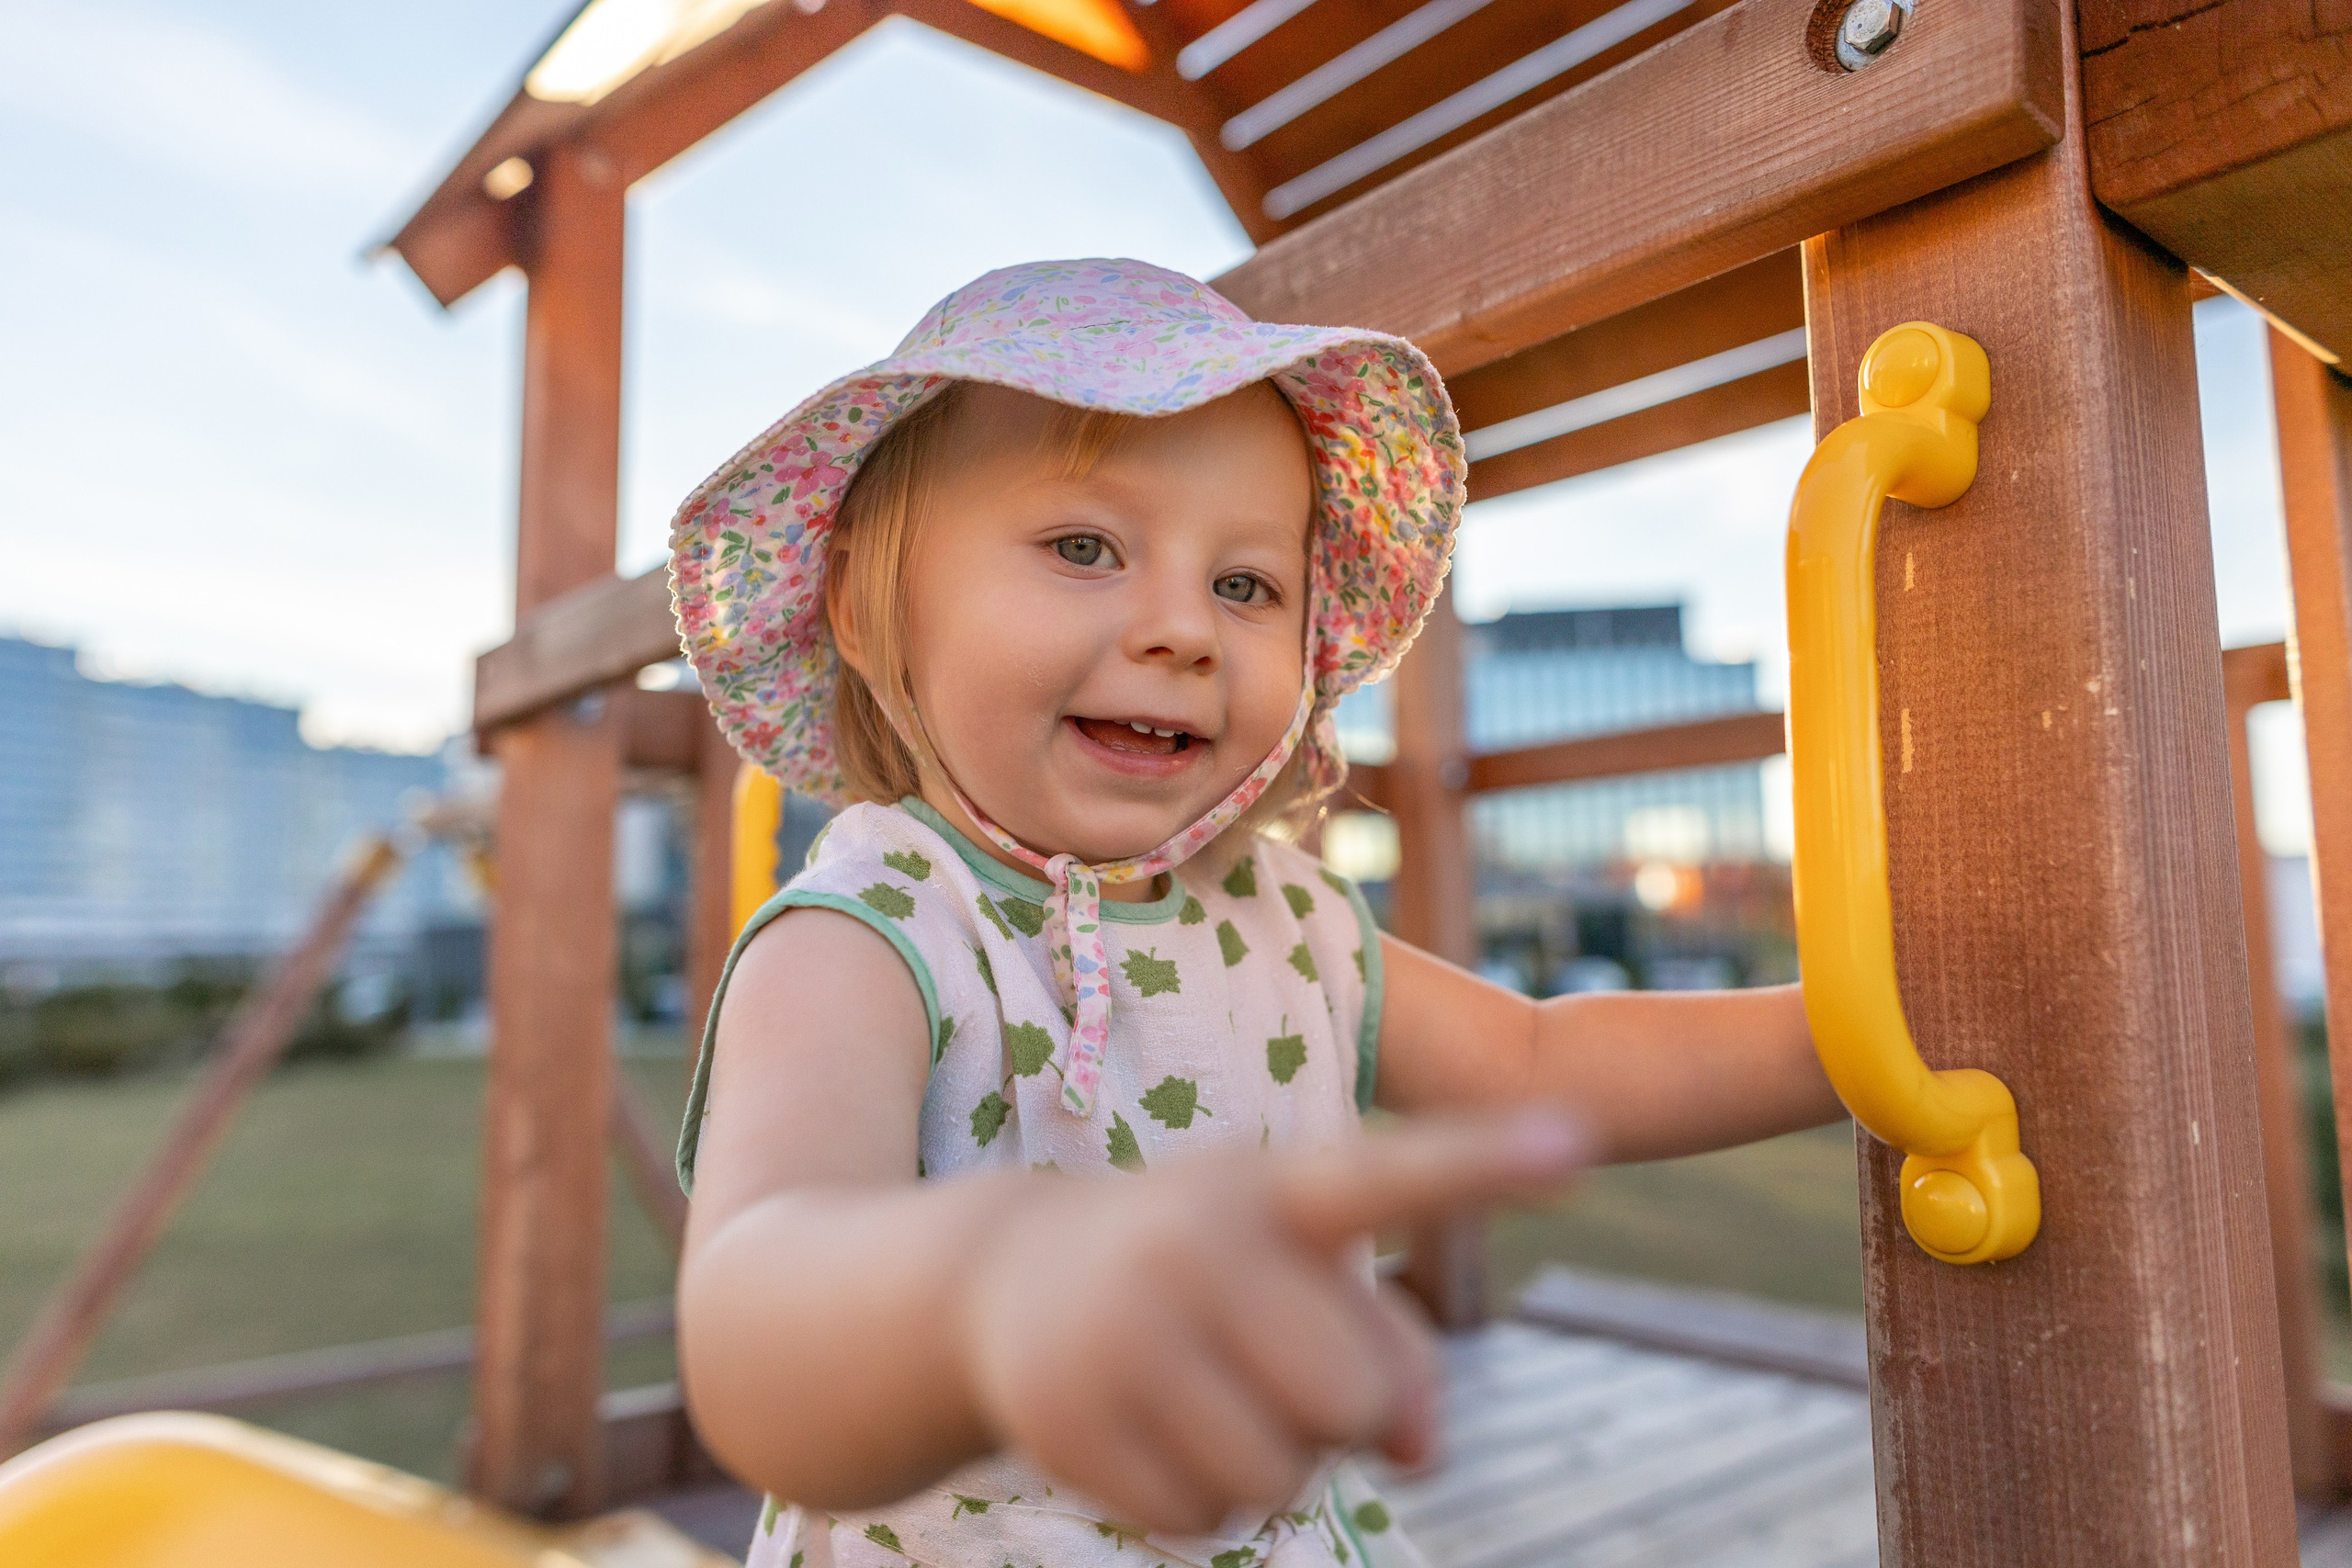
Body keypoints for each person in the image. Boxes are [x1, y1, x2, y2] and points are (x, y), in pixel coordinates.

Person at [670, 259, 1841, 1568]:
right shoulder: (872, 933)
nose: (1183, 628)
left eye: (1246, 585)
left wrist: (1849, 1034)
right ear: (859, 597)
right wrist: (987, 1292)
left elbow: (1537, 1061)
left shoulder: (1285, 918)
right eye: (1083, 548)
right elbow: (752, 1313)